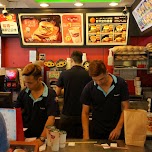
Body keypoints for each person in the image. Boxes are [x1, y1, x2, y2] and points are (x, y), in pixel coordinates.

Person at [81, 60, 129, 140]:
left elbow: (126, 108)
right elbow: (85, 113)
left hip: (117, 131)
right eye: (95, 80)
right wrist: (86, 134)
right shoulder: (89, 88)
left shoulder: (121, 84)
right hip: (97, 132)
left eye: (101, 79)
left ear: (107, 72)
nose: (99, 82)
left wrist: (118, 128)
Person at [15, 63, 59, 146]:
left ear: (39, 79)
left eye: (30, 83)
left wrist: (41, 139)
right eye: (25, 82)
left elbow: (51, 118)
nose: (26, 85)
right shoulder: (23, 93)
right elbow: (16, 114)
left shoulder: (50, 94)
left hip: (43, 138)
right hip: (25, 138)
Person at [56, 50, 92, 138]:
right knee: (82, 143)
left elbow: (57, 92)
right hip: (84, 114)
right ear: (82, 61)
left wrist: (66, 90)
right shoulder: (88, 74)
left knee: (65, 142)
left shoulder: (64, 74)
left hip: (67, 114)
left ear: (71, 60)